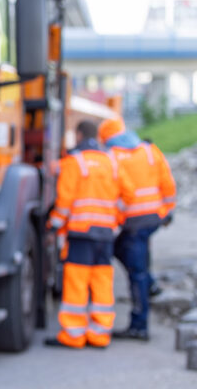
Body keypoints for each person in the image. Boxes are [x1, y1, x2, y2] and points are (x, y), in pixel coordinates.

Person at [45, 120, 136, 349]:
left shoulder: (75, 162)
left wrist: (54, 225)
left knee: (77, 282)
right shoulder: (112, 162)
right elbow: (130, 194)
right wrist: (117, 218)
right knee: (102, 282)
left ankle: (74, 335)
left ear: (78, 135)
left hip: (80, 233)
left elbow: (65, 202)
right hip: (106, 234)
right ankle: (99, 333)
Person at [99, 118, 177, 341]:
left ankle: (140, 326)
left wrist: (115, 218)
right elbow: (168, 185)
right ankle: (150, 285)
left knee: (136, 272)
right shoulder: (150, 150)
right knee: (134, 261)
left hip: (132, 222)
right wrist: (167, 212)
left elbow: (118, 192)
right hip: (153, 218)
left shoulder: (112, 156)